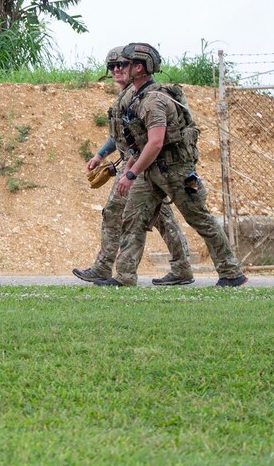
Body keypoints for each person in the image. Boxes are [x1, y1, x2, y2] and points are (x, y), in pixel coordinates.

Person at [94, 42, 246, 288]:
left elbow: (155, 143)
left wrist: (130, 173)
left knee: (200, 219)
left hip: (174, 172)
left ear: (140, 68)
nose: (119, 69)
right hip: (150, 171)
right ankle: (124, 276)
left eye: (126, 64)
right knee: (133, 218)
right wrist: (129, 168)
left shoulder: (154, 100)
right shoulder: (134, 97)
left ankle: (231, 272)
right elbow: (141, 143)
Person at [74, 46, 193, 286]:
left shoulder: (141, 96)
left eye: (121, 65)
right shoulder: (127, 97)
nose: (117, 70)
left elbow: (149, 137)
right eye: (112, 66)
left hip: (140, 165)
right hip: (138, 165)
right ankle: (182, 268)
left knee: (116, 213)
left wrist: (131, 169)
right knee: (161, 218)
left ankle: (105, 268)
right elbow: (118, 134)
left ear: (134, 67)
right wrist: (99, 155)